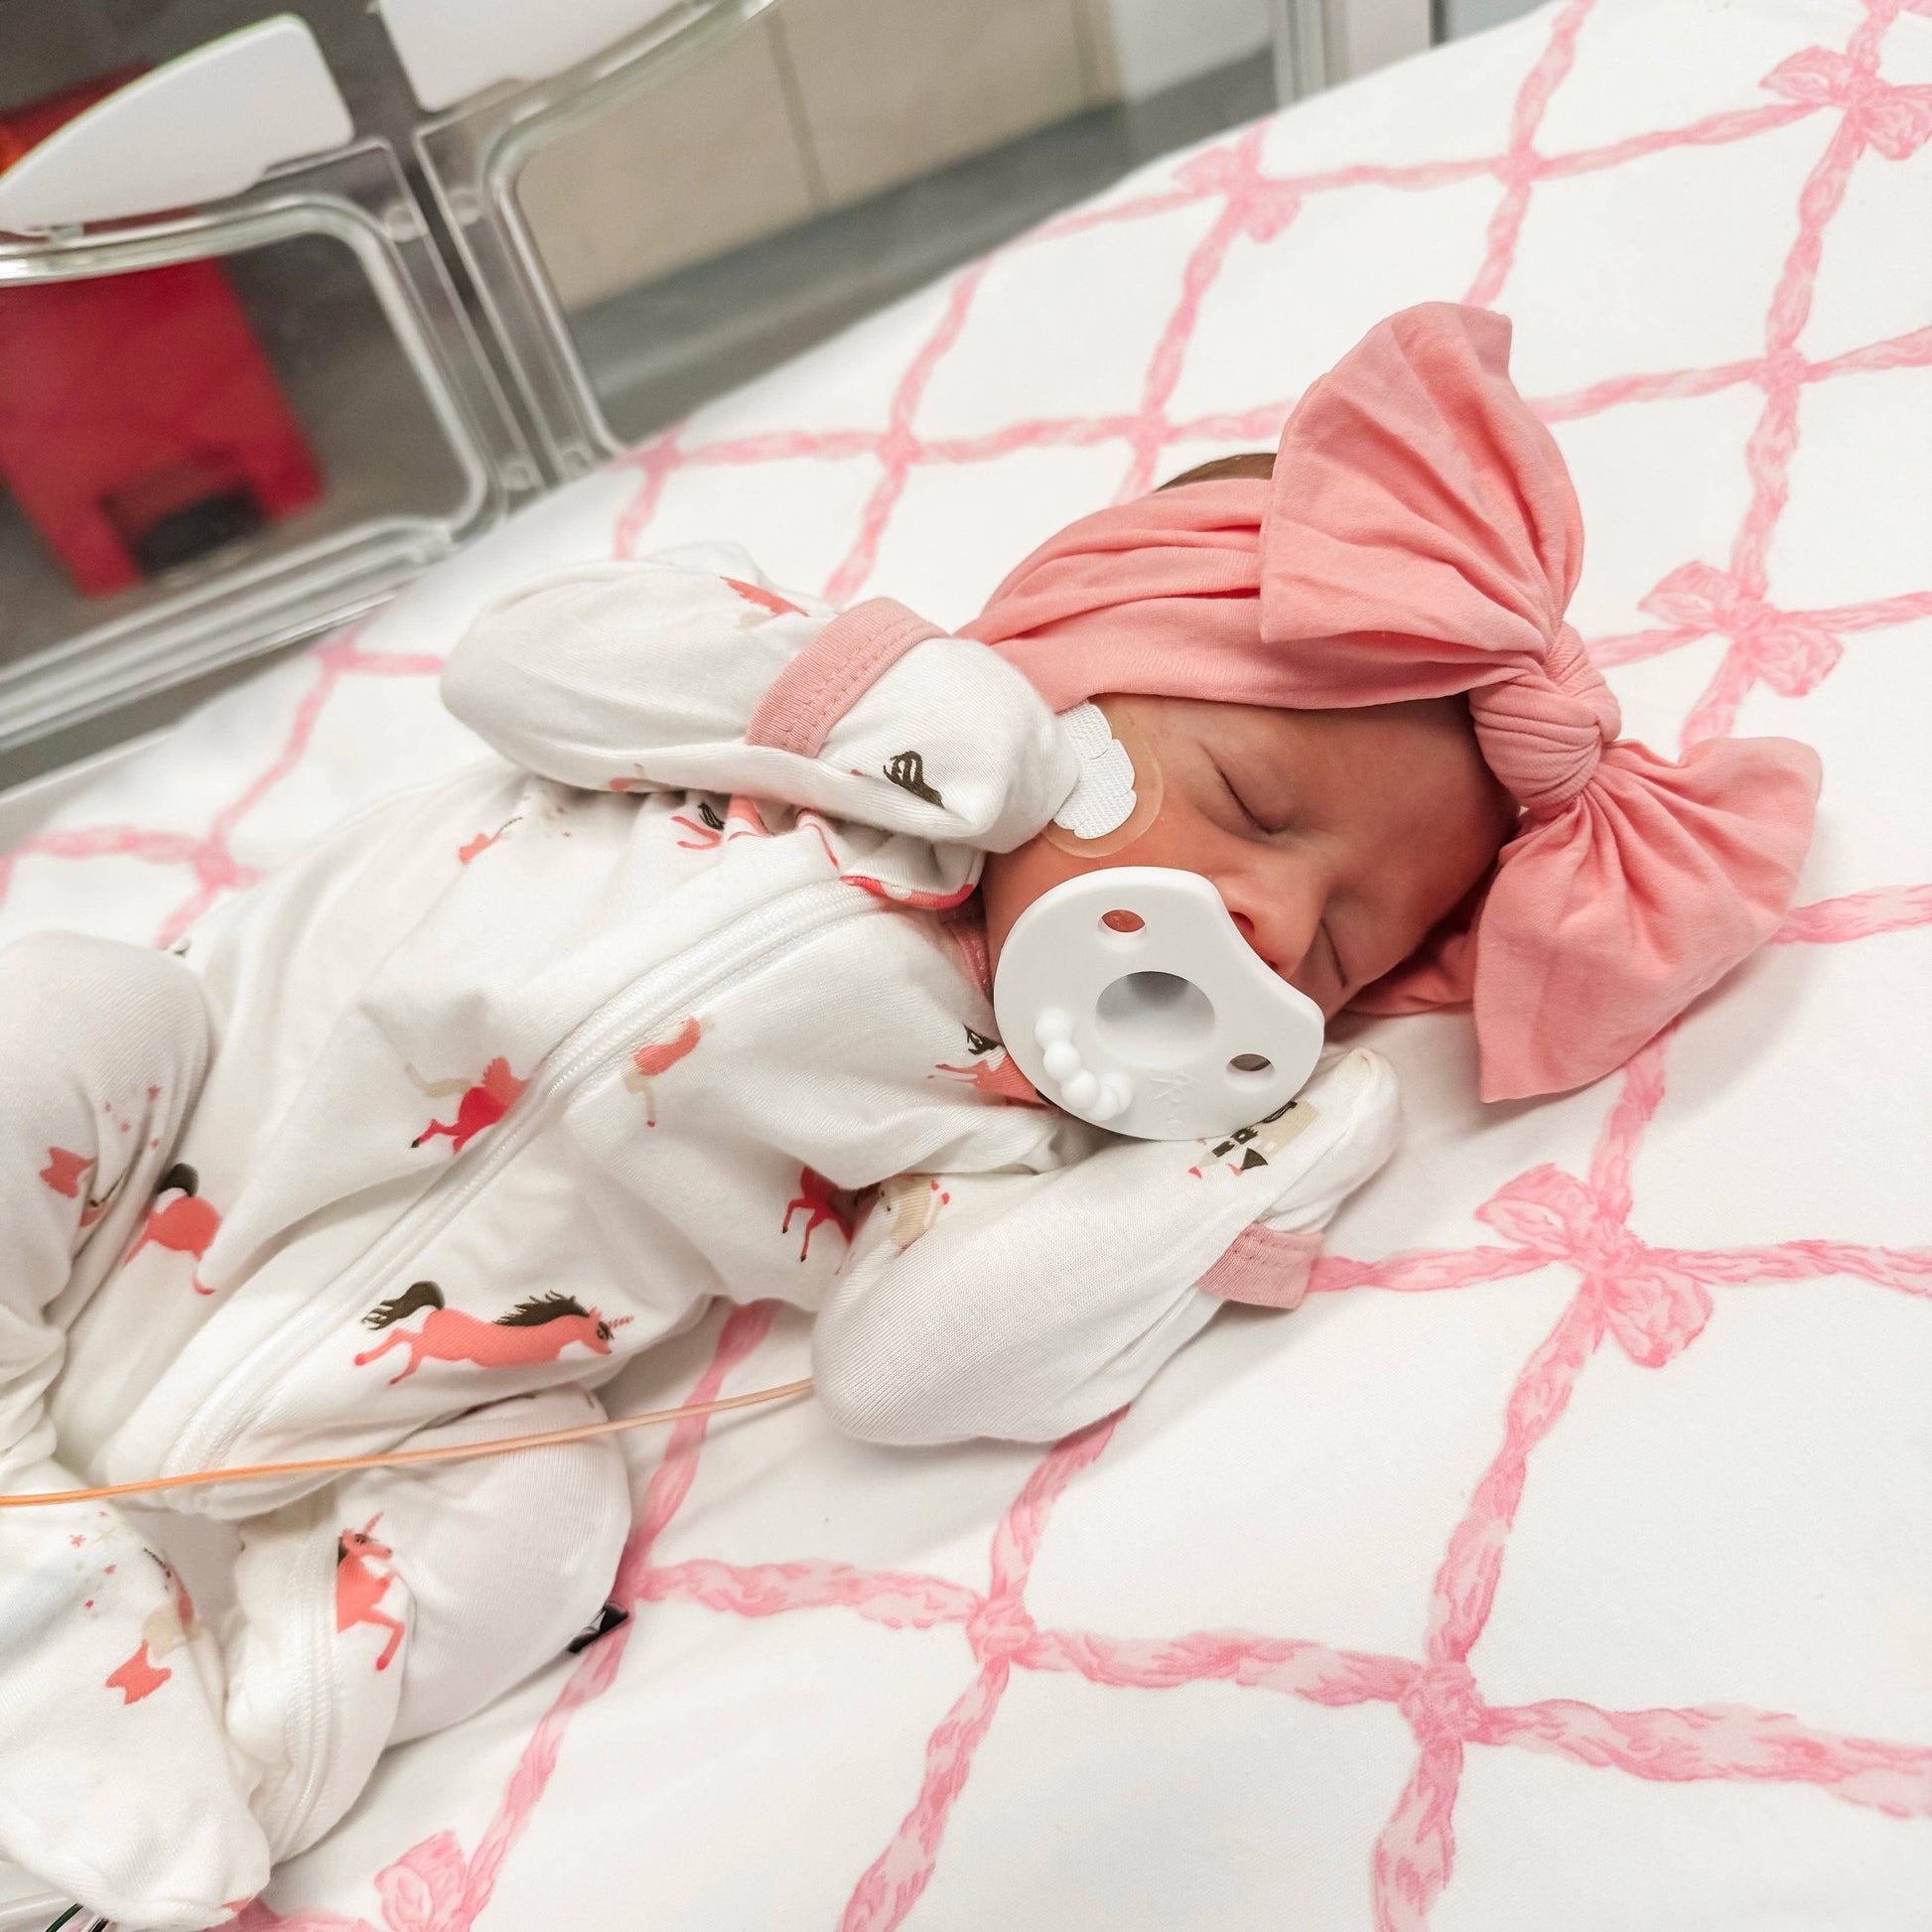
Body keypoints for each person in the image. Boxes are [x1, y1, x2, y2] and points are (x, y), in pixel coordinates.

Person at [0, 305, 1816, 1926]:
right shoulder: (773, 707)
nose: (1272, 916)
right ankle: (56, 1609)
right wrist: (874, 705)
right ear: (1067, 670)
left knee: (541, 1524)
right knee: (69, 1009)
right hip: (147, 1142)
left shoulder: (1005, 1116)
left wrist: (1275, 1141)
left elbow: (902, 1368)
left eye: (1338, 948)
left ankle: (146, 1817)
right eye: (1250, 803)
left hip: (419, 1399)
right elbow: (516, 665)